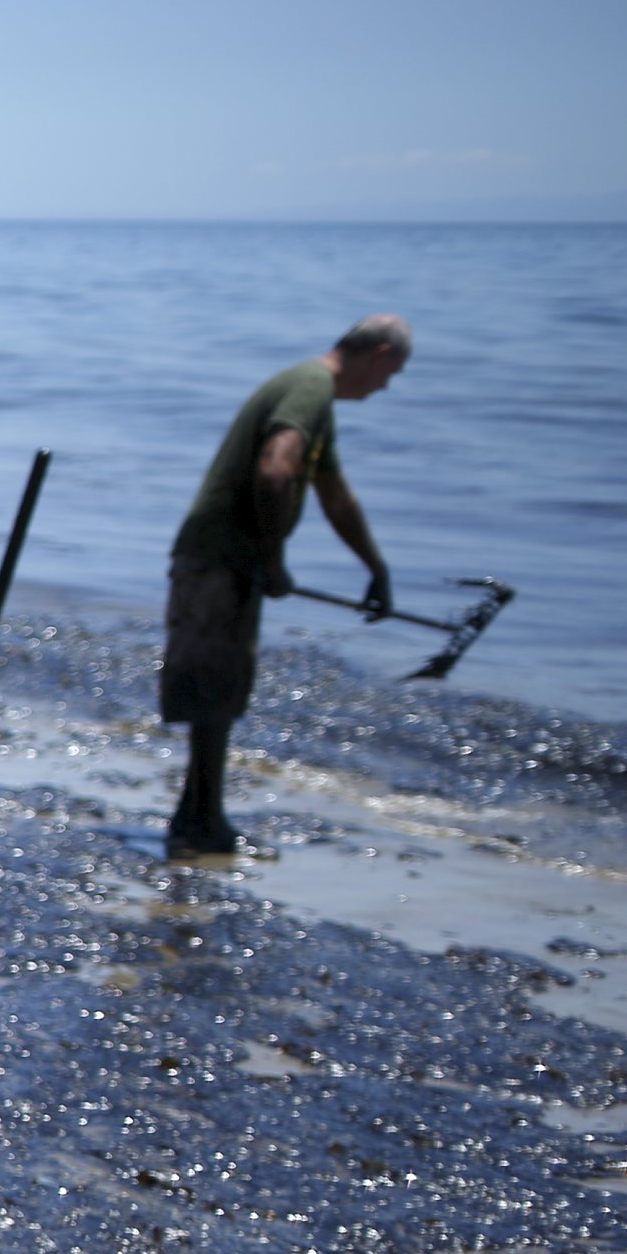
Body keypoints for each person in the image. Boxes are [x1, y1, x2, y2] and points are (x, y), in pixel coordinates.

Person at [162, 315, 410, 858]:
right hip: (219, 558)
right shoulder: (310, 386)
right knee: (213, 691)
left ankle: (198, 816)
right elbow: (276, 469)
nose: (387, 386)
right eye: (393, 373)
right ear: (381, 355)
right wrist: (271, 557)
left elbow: (333, 492)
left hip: (227, 559)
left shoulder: (314, 397)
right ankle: (200, 823)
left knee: (221, 691)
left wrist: (376, 567)